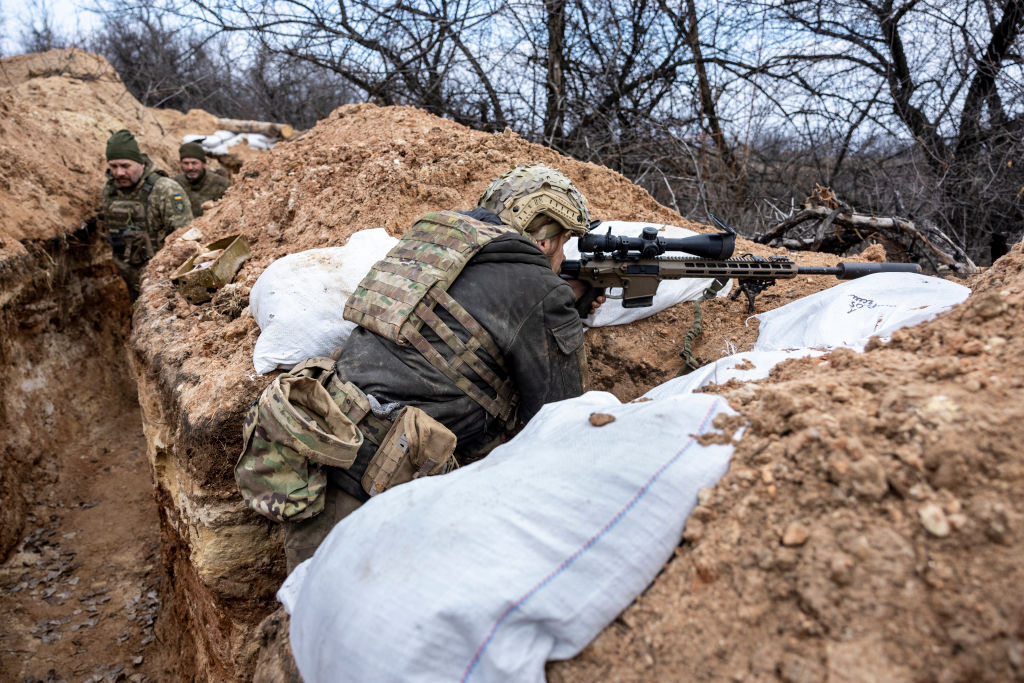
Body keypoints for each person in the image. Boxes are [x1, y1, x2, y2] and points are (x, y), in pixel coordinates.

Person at [239, 163, 604, 572]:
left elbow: (461, 322)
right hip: (388, 485)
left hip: (325, 445)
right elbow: (559, 417)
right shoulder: (538, 287)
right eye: (564, 243)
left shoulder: (431, 240)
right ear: (543, 239)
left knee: (313, 599)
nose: (563, 257)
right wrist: (558, 311)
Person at [100, 129, 193, 298]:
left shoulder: (165, 189)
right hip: (128, 274)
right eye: (113, 166)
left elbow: (186, 240)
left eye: (125, 166)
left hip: (162, 281)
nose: (119, 172)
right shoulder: (109, 190)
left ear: (141, 163)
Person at [173, 140, 231, 217]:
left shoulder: (222, 185)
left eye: (194, 163)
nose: (190, 167)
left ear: (204, 164)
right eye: (186, 163)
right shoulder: (175, 184)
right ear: (180, 164)